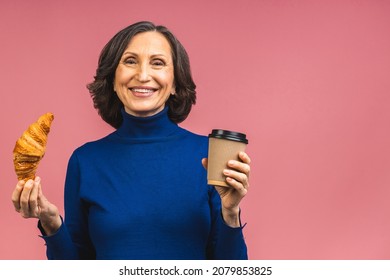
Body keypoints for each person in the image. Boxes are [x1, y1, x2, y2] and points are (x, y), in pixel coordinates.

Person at [11, 21, 251, 260]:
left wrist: (230, 213)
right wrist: (52, 224)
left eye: (157, 63)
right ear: (113, 80)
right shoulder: (85, 161)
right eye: (130, 61)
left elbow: (232, 272)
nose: (143, 75)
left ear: (176, 83)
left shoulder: (208, 155)